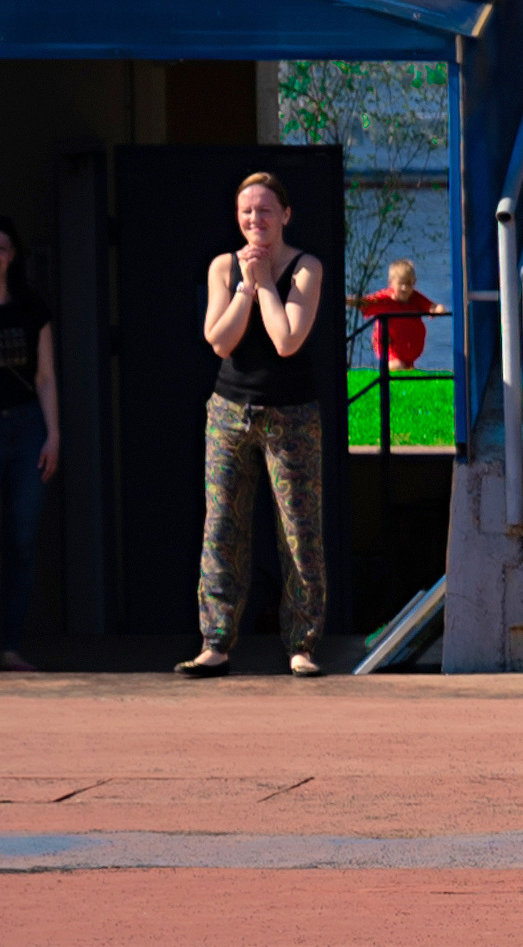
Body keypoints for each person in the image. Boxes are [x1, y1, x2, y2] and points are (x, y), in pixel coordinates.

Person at [180, 171, 327, 681]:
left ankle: (302, 645)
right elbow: (219, 340)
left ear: (285, 215)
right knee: (222, 526)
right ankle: (215, 643)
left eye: (265, 211)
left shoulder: (306, 268)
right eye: (246, 212)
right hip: (229, 411)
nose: (254, 220)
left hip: (291, 416)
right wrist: (247, 286)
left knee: (299, 530)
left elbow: (287, 339)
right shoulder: (224, 266)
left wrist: (267, 284)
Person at [0, 215, 58, 673]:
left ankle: (10, 647)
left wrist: (54, 434)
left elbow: (45, 377)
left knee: (21, 538)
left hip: (28, 427)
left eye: (0, 248)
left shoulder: (33, 309)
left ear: (13, 254)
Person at [356, 259, 435, 371]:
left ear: (414, 282)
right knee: (396, 365)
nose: (405, 288)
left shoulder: (416, 298)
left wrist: (437, 309)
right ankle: (389, 372)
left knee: (407, 369)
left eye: (409, 283)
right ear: (390, 283)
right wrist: (349, 301)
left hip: (409, 346)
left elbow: (431, 306)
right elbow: (365, 303)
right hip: (389, 345)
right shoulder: (385, 299)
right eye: (401, 284)